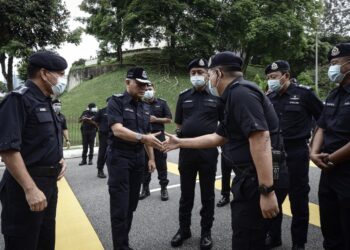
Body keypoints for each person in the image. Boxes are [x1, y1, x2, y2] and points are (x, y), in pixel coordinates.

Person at [165, 51, 280, 250]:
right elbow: (219, 136)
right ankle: (184, 229)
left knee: (247, 238)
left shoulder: (240, 93)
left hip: (255, 179)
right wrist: (180, 143)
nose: (207, 78)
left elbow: (261, 138)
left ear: (217, 73)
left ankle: (206, 232)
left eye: (208, 73)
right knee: (245, 233)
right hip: (248, 176)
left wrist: (267, 191)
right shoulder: (234, 94)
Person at [0, 51, 68, 250]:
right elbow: (8, 149)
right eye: (60, 74)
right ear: (45, 73)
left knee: (45, 242)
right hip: (25, 186)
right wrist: (30, 189)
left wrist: (59, 159)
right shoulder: (18, 99)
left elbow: (44, 139)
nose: (62, 79)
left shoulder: (46, 100)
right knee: (23, 242)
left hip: (48, 184)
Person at [265, 60, 323, 250]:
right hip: (275, 154)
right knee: (275, 196)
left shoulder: (304, 95)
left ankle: (299, 242)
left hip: (297, 152)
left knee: (298, 199)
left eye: (273, 77)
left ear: (286, 76)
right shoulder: (269, 97)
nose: (270, 81)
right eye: (268, 78)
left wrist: (314, 145)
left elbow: (323, 120)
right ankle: (274, 237)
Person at [107, 67, 163, 250]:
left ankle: (124, 243)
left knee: (131, 205)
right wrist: (142, 138)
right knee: (120, 207)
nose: (143, 87)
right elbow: (117, 130)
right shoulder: (116, 102)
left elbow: (148, 135)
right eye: (139, 84)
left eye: (145, 84)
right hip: (120, 158)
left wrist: (151, 159)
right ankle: (120, 247)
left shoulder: (145, 107)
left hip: (138, 159)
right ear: (127, 82)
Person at [170, 58, 223, 250]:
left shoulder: (217, 98)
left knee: (208, 195)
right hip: (187, 153)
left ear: (208, 74)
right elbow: (179, 125)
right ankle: (184, 230)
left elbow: (224, 126)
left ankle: (206, 232)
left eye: (200, 72)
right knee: (186, 195)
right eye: (193, 73)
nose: (197, 76)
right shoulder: (184, 97)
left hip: (208, 153)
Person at [310, 43, 350, 250]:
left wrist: (331, 158)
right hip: (328, 171)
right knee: (330, 228)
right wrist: (313, 153)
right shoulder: (334, 95)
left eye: (335, 63)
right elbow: (321, 126)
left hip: (345, 171)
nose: (331, 68)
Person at [139, 83, 172, 201]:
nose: (148, 91)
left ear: (154, 90)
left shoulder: (162, 103)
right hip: (145, 137)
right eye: (146, 89)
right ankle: (145, 189)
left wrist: (156, 119)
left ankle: (164, 188)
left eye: (150, 89)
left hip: (159, 136)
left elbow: (169, 119)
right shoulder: (139, 104)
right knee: (144, 163)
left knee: (161, 163)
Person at [94, 98, 110, 178]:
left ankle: (113, 170)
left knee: (114, 153)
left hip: (114, 135)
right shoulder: (102, 111)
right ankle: (100, 170)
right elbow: (95, 121)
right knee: (103, 152)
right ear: (107, 103)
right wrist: (100, 127)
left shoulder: (117, 111)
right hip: (104, 135)